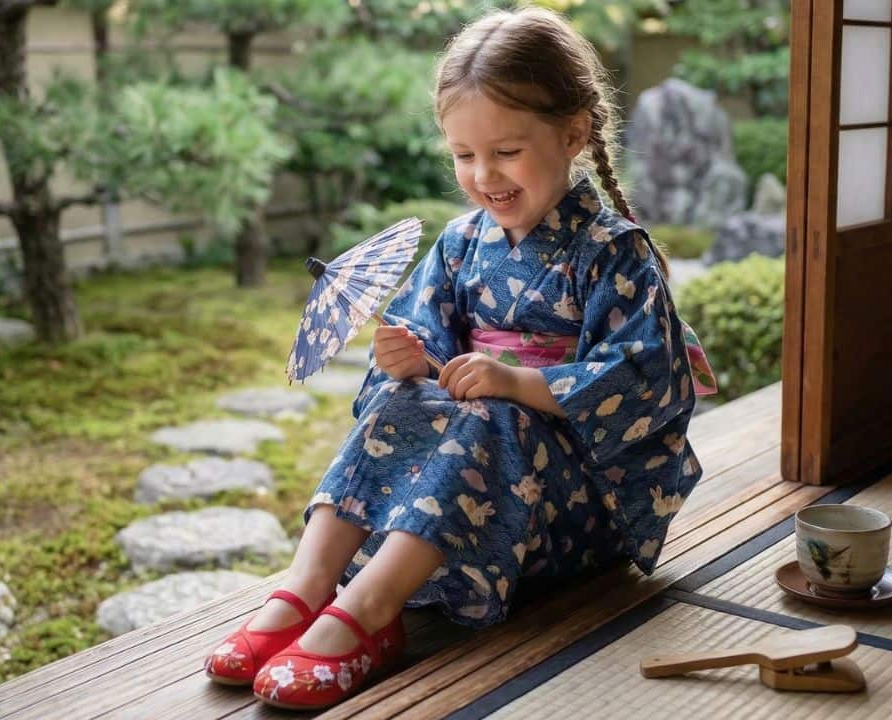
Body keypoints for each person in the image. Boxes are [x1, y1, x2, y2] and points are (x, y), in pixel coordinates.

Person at [204, 6, 717, 710]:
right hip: (475, 480)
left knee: (491, 420)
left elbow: (646, 378)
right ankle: (304, 588)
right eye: (464, 155)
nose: (483, 176)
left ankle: (369, 613)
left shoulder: (612, 250)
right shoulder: (460, 242)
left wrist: (516, 382)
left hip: (572, 505)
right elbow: (427, 351)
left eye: (506, 152)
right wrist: (409, 358)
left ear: (574, 134)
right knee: (396, 398)